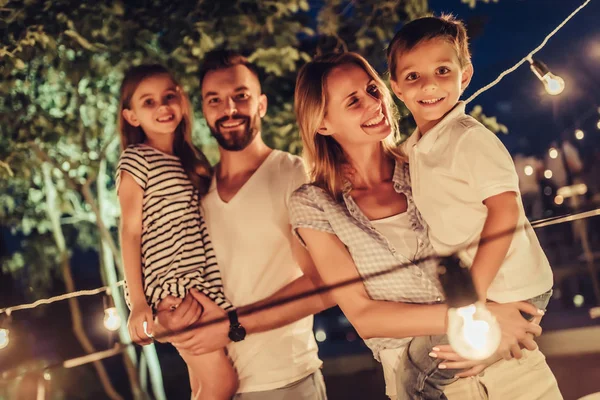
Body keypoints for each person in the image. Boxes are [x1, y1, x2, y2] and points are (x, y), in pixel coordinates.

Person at [289, 51, 549, 400]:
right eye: (353, 101)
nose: (374, 102)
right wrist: (479, 318)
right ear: (322, 123)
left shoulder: (426, 164)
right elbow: (365, 316)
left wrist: (500, 324)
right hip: (425, 376)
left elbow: (504, 240)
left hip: (510, 363)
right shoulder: (315, 203)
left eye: (372, 88)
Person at [388, 15, 562, 399]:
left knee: (416, 376)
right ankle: (487, 351)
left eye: (442, 71)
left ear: (464, 76)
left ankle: (487, 348)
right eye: (413, 76)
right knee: (442, 363)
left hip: (510, 288)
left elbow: (505, 211)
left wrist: (474, 301)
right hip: (491, 287)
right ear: (396, 87)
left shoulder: (469, 139)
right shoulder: (417, 146)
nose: (430, 84)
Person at [153, 50, 331, 399]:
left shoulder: (291, 174)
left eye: (241, 96)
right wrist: (165, 319)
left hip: (286, 382)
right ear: (203, 111)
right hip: (212, 388)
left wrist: (233, 324)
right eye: (215, 100)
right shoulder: (194, 191)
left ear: (261, 104)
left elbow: (325, 284)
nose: (229, 109)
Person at [115, 64, 237, 399]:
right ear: (131, 116)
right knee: (222, 384)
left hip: (198, 280)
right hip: (172, 287)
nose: (163, 107)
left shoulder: (190, 160)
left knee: (202, 386)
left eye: (169, 97)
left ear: (182, 101)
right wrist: (138, 303)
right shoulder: (137, 160)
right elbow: (130, 231)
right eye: (149, 102)